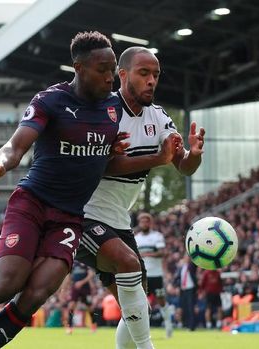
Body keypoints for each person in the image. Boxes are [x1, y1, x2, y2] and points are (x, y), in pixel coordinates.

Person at [0, 31, 176, 349]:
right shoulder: (51, 100)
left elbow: (108, 159)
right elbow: (16, 145)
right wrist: (0, 165)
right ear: (79, 68)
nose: (109, 77)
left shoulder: (112, 111)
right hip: (33, 204)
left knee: (34, 296)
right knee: (6, 285)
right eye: (102, 69)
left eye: (112, 68)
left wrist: (130, 152)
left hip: (71, 218)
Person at [75, 46, 205, 349]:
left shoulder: (159, 118)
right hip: (83, 213)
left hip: (118, 219)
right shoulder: (102, 110)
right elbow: (100, 165)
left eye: (156, 75)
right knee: (128, 263)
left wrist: (195, 155)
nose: (151, 81)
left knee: (139, 309)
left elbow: (182, 166)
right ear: (122, 75)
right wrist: (157, 159)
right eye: (143, 73)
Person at [134, 212, 172, 338]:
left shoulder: (157, 236)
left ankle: (168, 325)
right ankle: (144, 331)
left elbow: (162, 253)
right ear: (139, 223)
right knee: (142, 302)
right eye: (142, 221)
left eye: (147, 221)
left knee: (161, 300)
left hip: (156, 274)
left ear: (150, 223)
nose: (144, 223)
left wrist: (147, 254)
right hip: (143, 275)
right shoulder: (137, 237)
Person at [62, 261, 96, 334]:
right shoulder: (73, 264)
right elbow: (69, 277)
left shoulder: (86, 263)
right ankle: (69, 327)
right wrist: (64, 289)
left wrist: (82, 282)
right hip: (75, 288)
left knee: (90, 308)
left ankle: (93, 325)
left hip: (85, 288)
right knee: (71, 306)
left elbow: (90, 274)